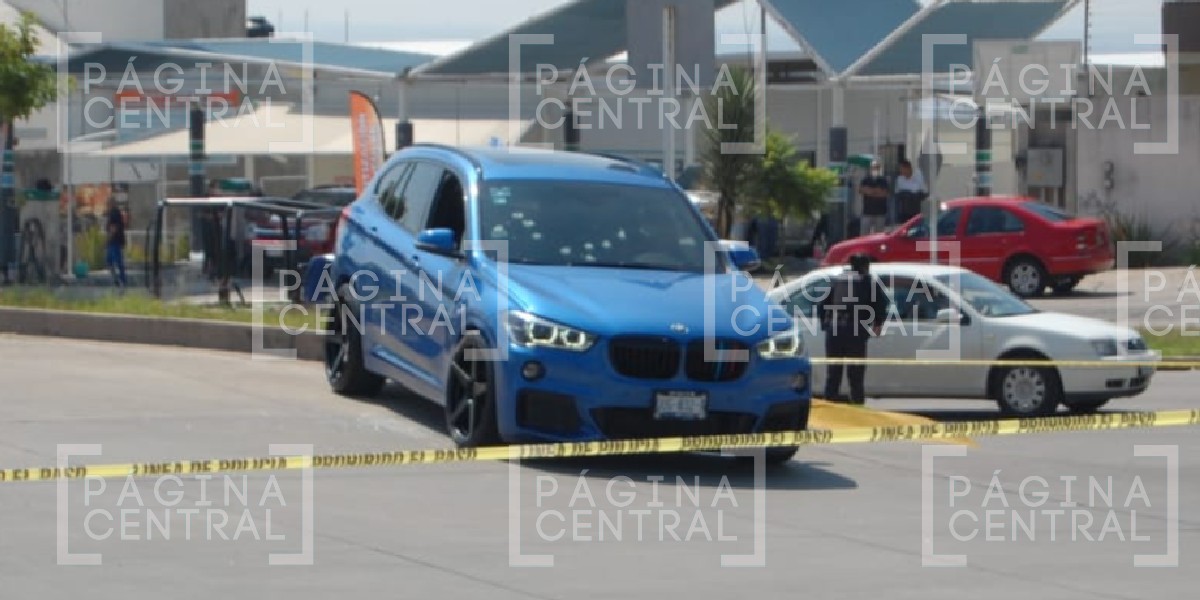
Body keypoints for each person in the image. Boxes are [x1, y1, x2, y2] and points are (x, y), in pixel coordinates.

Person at [818, 254, 889, 404]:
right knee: (856, 375)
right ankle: (857, 407)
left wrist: (825, 325)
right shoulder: (867, 281)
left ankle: (830, 409)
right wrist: (878, 324)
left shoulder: (839, 281)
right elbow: (881, 304)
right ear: (865, 267)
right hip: (855, 331)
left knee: (833, 374)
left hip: (835, 330)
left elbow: (821, 305)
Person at [858, 161, 889, 234]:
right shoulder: (866, 179)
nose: (875, 169)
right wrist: (876, 191)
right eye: (873, 167)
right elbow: (861, 190)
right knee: (864, 234)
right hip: (867, 212)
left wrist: (870, 191)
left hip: (880, 212)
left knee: (879, 235)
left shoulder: (883, 180)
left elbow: (884, 193)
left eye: (877, 168)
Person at [894, 160, 928, 224]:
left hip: (917, 210)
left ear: (908, 168)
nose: (901, 171)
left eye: (902, 169)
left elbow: (919, 190)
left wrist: (908, 192)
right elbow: (897, 193)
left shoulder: (919, 176)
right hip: (905, 211)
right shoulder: (900, 179)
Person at [104, 198, 128, 288]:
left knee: (116, 261)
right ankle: (118, 279)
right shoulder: (115, 213)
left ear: (111, 204)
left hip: (114, 241)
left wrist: (108, 239)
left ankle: (121, 280)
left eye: (108, 204)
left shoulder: (114, 213)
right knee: (112, 261)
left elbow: (113, 228)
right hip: (115, 241)